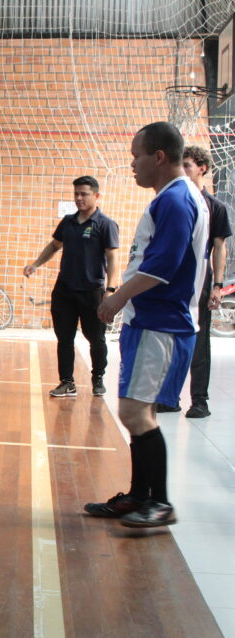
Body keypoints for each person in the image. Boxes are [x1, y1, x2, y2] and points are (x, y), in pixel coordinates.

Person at [88, 122, 208, 528]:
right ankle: (140, 496)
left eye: (137, 156)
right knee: (134, 412)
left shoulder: (177, 200)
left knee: (138, 413)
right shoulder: (170, 198)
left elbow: (163, 267)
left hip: (163, 324)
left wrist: (117, 297)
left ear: (159, 157)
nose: (132, 165)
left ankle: (160, 502)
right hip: (150, 322)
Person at [23, 176, 120, 398]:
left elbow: (113, 259)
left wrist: (111, 290)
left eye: (84, 194)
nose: (79, 198)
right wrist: (36, 264)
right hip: (64, 290)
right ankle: (67, 382)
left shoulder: (105, 225)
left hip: (92, 291)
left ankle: (98, 378)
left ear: (96, 196)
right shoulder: (67, 222)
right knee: (64, 338)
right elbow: (55, 245)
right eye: (76, 193)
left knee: (95, 337)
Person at [155, 145, 230, 417]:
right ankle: (169, 397)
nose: (183, 170)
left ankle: (200, 400)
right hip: (171, 281)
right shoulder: (172, 201)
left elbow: (220, 247)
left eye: (188, 165)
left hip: (199, 283)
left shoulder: (215, 207)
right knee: (169, 340)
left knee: (198, 342)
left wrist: (218, 285)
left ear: (202, 168)